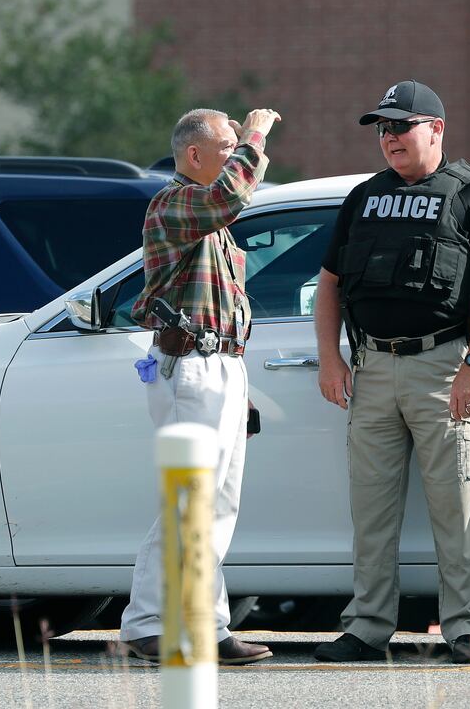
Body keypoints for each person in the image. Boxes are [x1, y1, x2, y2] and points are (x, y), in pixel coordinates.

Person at [312, 81, 470, 665]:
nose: (389, 138)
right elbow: (328, 283)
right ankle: (367, 627)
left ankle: (466, 632)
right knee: (370, 513)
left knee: (458, 506)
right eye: (382, 129)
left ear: (437, 129)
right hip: (371, 367)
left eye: (400, 127)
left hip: (441, 367)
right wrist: (330, 357)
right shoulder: (363, 197)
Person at [119, 106, 282, 666]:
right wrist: (257, 134)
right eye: (228, 144)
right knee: (193, 501)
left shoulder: (206, 217)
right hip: (190, 366)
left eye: (240, 143)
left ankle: (206, 626)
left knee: (216, 504)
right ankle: (147, 624)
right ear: (195, 155)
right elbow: (230, 196)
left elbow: (225, 307)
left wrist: (243, 387)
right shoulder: (175, 201)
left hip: (218, 366)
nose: (239, 152)